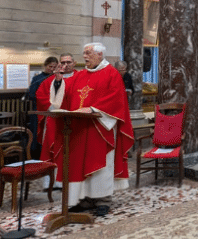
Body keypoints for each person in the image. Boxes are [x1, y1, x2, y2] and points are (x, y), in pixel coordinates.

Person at [43, 43, 133, 213]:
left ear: (100, 54)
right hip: (78, 127)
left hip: (100, 128)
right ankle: (84, 199)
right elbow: (66, 96)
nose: (85, 56)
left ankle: (102, 200)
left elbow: (116, 98)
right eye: (84, 53)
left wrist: (93, 109)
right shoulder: (80, 75)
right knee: (80, 164)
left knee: (100, 164)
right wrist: (58, 81)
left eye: (88, 53)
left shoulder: (111, 73)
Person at [36, 53, 78, 189]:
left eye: (68, 62)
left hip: (75, 121)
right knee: (52, 150)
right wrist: (53, 106)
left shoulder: (81, 77)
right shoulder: (50, 80)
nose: (65, 65)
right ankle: (52, 182)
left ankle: (72, 180)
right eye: (63, 62)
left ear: (74, 63)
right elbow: (40, 95)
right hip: (55, 121)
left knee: (72, 151)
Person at [26, 56, 58, 157]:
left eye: (54, 67)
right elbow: (31, 95)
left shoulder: (58, 78)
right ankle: (36, 156)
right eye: (50, 66)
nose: (52, 69)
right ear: (45, 66)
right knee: (37, 133)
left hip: (52, 109)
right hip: (39, 109)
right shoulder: (37, 78)